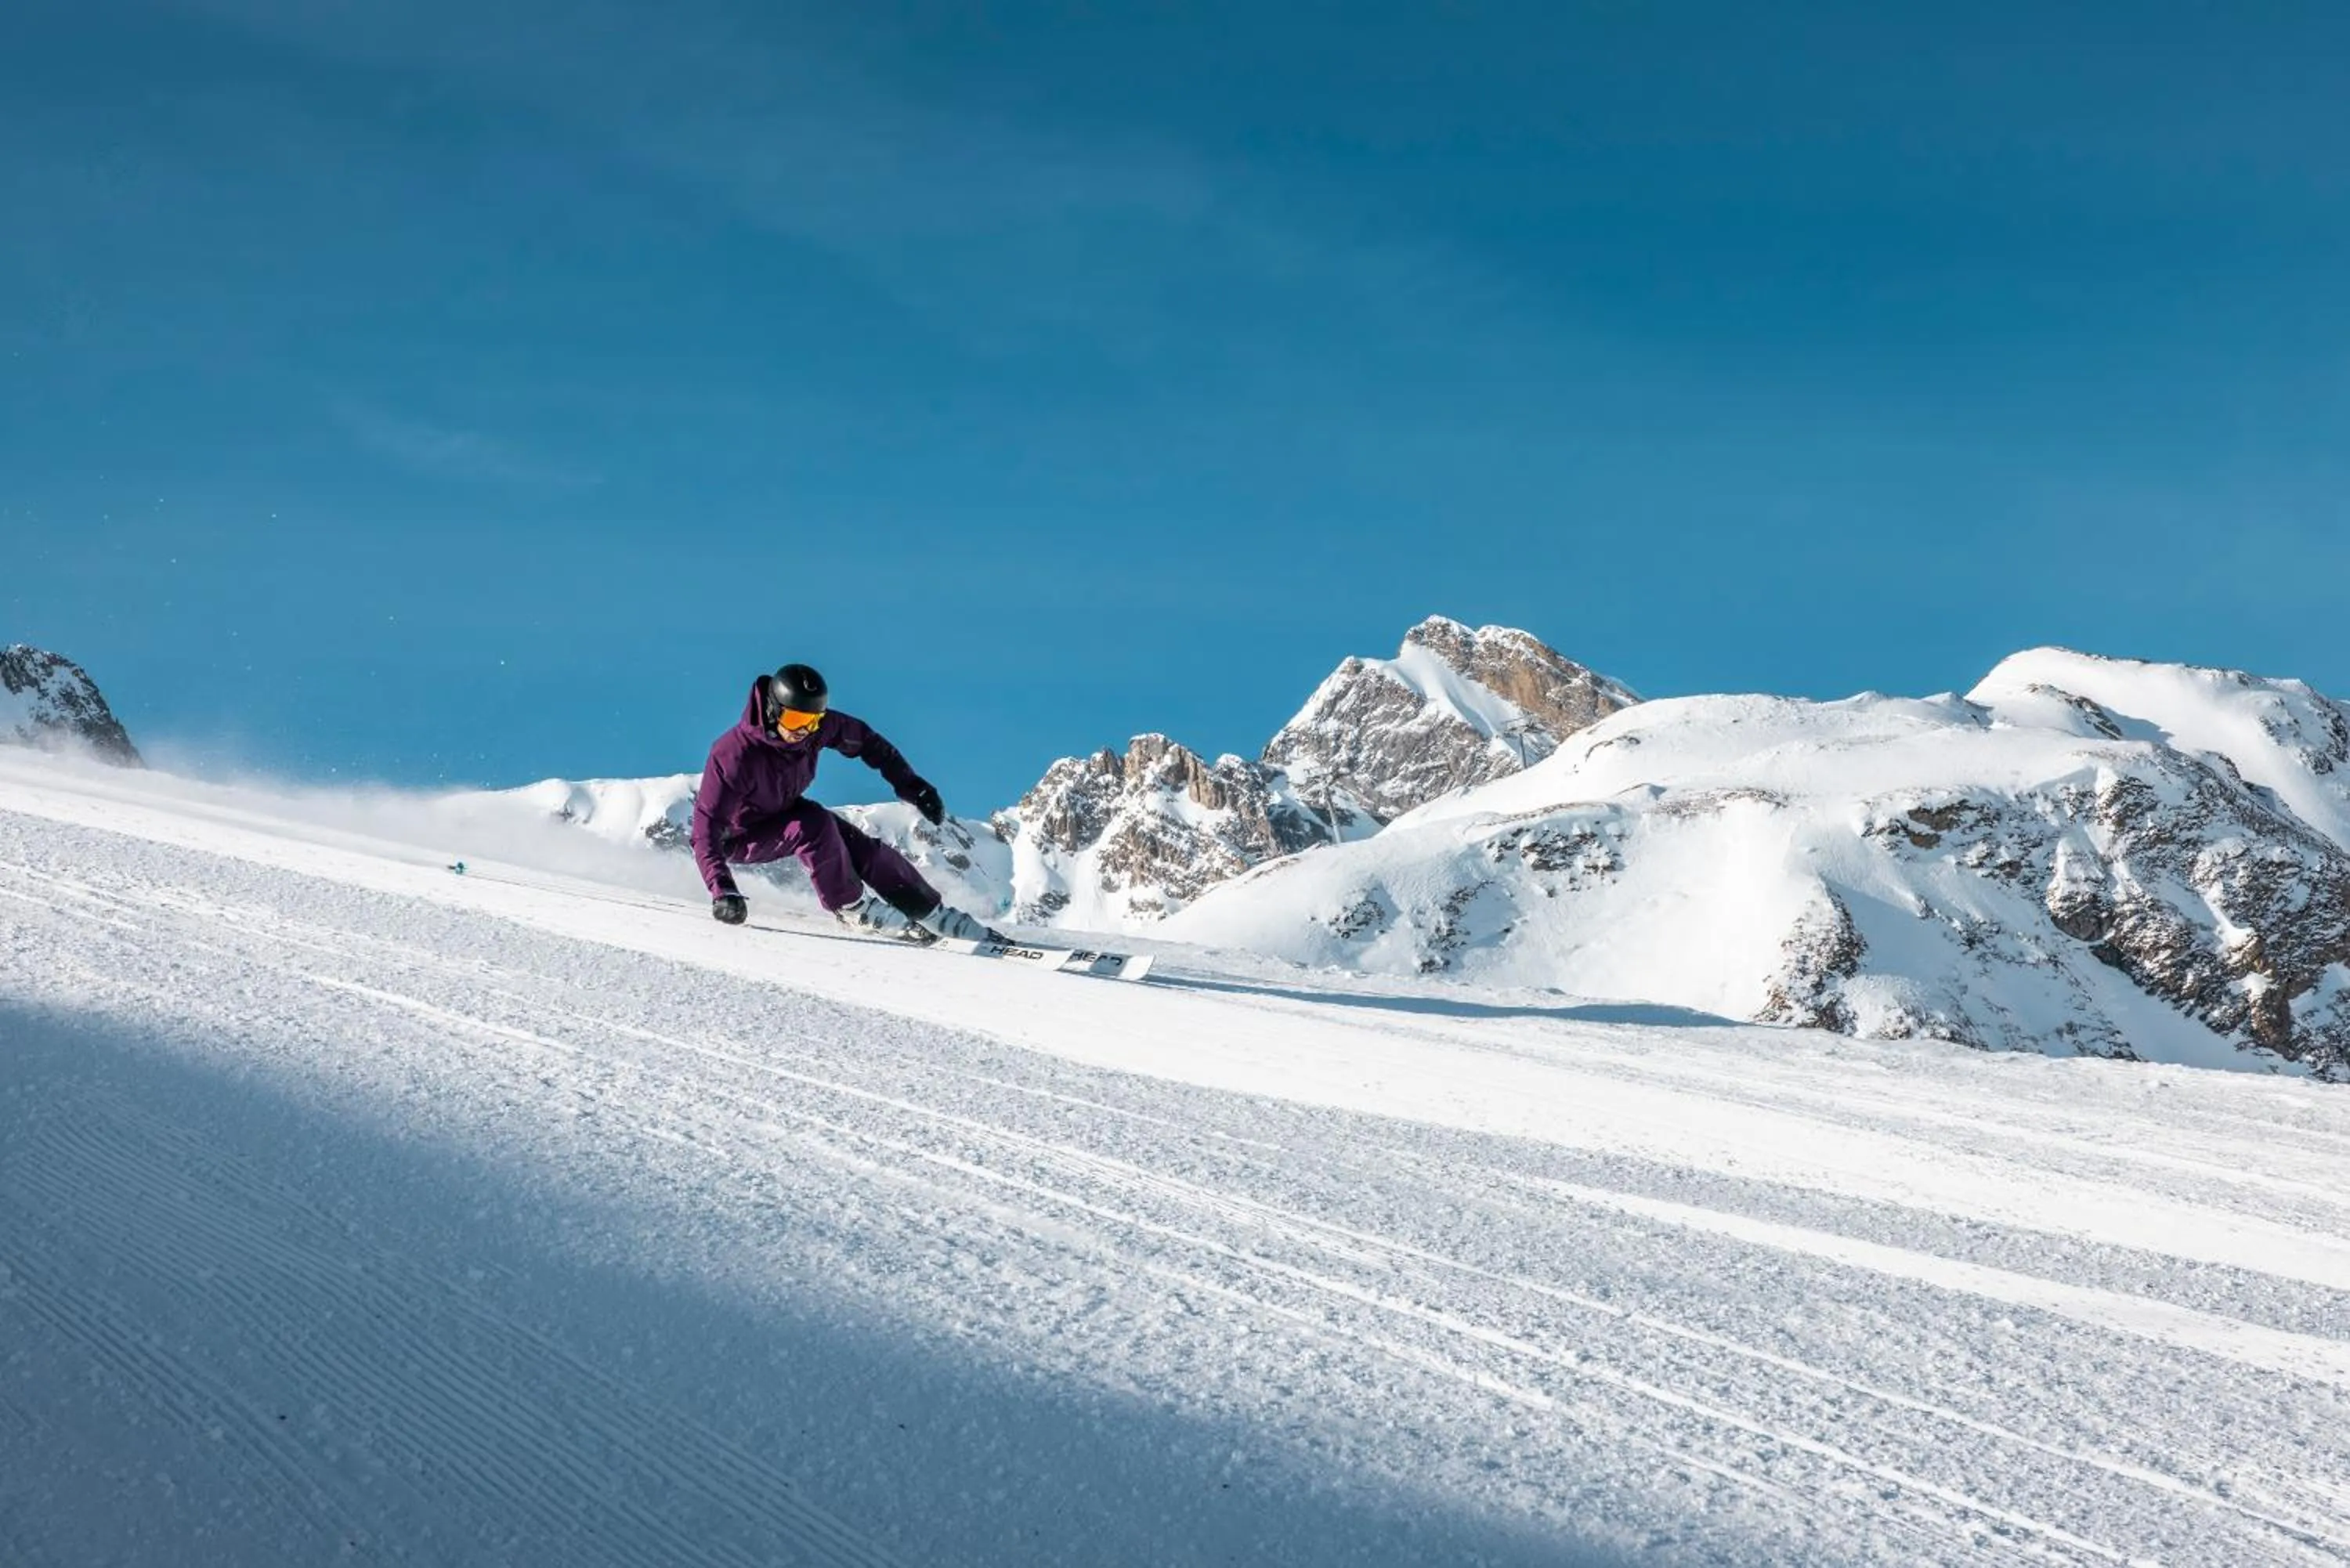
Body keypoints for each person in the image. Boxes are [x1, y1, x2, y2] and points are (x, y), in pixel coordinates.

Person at [692, 663, 1004, 942]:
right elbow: (705, 830)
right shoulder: (735, 755)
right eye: (797, 719)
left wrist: (912, 785)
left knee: (859, 846)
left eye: (813, 721)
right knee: (813, 824)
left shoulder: (814, 730)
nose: (804, 731)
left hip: (784, 814)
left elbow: (868, 742)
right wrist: (723, 889)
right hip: (739, 837)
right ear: (773, 711)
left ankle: (933, 913)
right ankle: (852, 907)